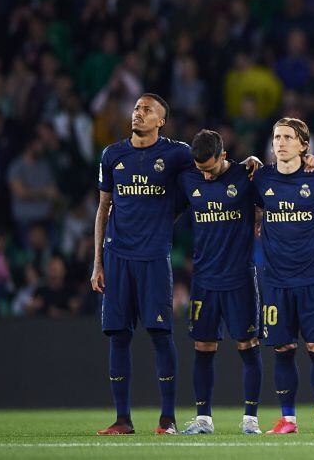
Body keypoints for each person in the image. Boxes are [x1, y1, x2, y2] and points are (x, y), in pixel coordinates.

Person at [92, 93, 193, 435]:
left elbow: (210, 167)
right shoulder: (112, 154)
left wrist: (247, 162)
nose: (138, 113)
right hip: (117, 257)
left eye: (147, 110)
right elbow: (103, 208)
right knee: (118, 336)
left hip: (153, 257)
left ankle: (168, 419)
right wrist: (97, 262)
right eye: (136, 108)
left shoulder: (177, 153)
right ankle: (123, 419)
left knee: (161, 335)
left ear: (161, 120)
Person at [253, 118, 314, 434]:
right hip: (276, 279)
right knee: (282, 348)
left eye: (288, 137)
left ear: (304, 145)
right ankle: (288, 418)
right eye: (277, 136)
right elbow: (255, 207)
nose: (281, 142)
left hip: (312, 276)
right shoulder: (261, 178)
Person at [176, 129, 263, 435]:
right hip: (204, 280)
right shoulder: (189, 179)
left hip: (239, 277)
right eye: (202, 170)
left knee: (247, 345)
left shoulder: (246, 175)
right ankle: (203, 419)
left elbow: (268, 201)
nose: (207, 176)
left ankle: (250, 420)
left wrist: (260, 219)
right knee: (203, 346)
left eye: (211, 169)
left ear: (224, 156)